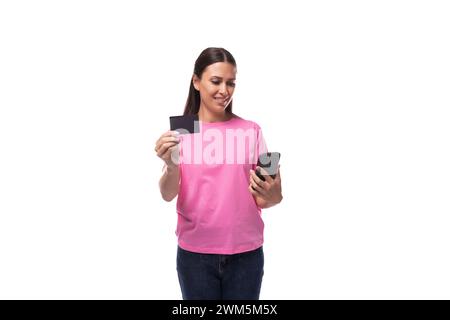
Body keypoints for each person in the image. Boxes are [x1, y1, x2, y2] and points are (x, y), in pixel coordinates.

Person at [154, 47, 283, 300]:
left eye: (230, 83)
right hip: (195, 255)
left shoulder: (250, 130)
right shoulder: (184, 129)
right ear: (196, 82)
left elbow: (269, 199)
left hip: (246, 254)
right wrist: (170, 166)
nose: (224, 90)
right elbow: (168, 194)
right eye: (216, 81)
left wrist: (275, 192)